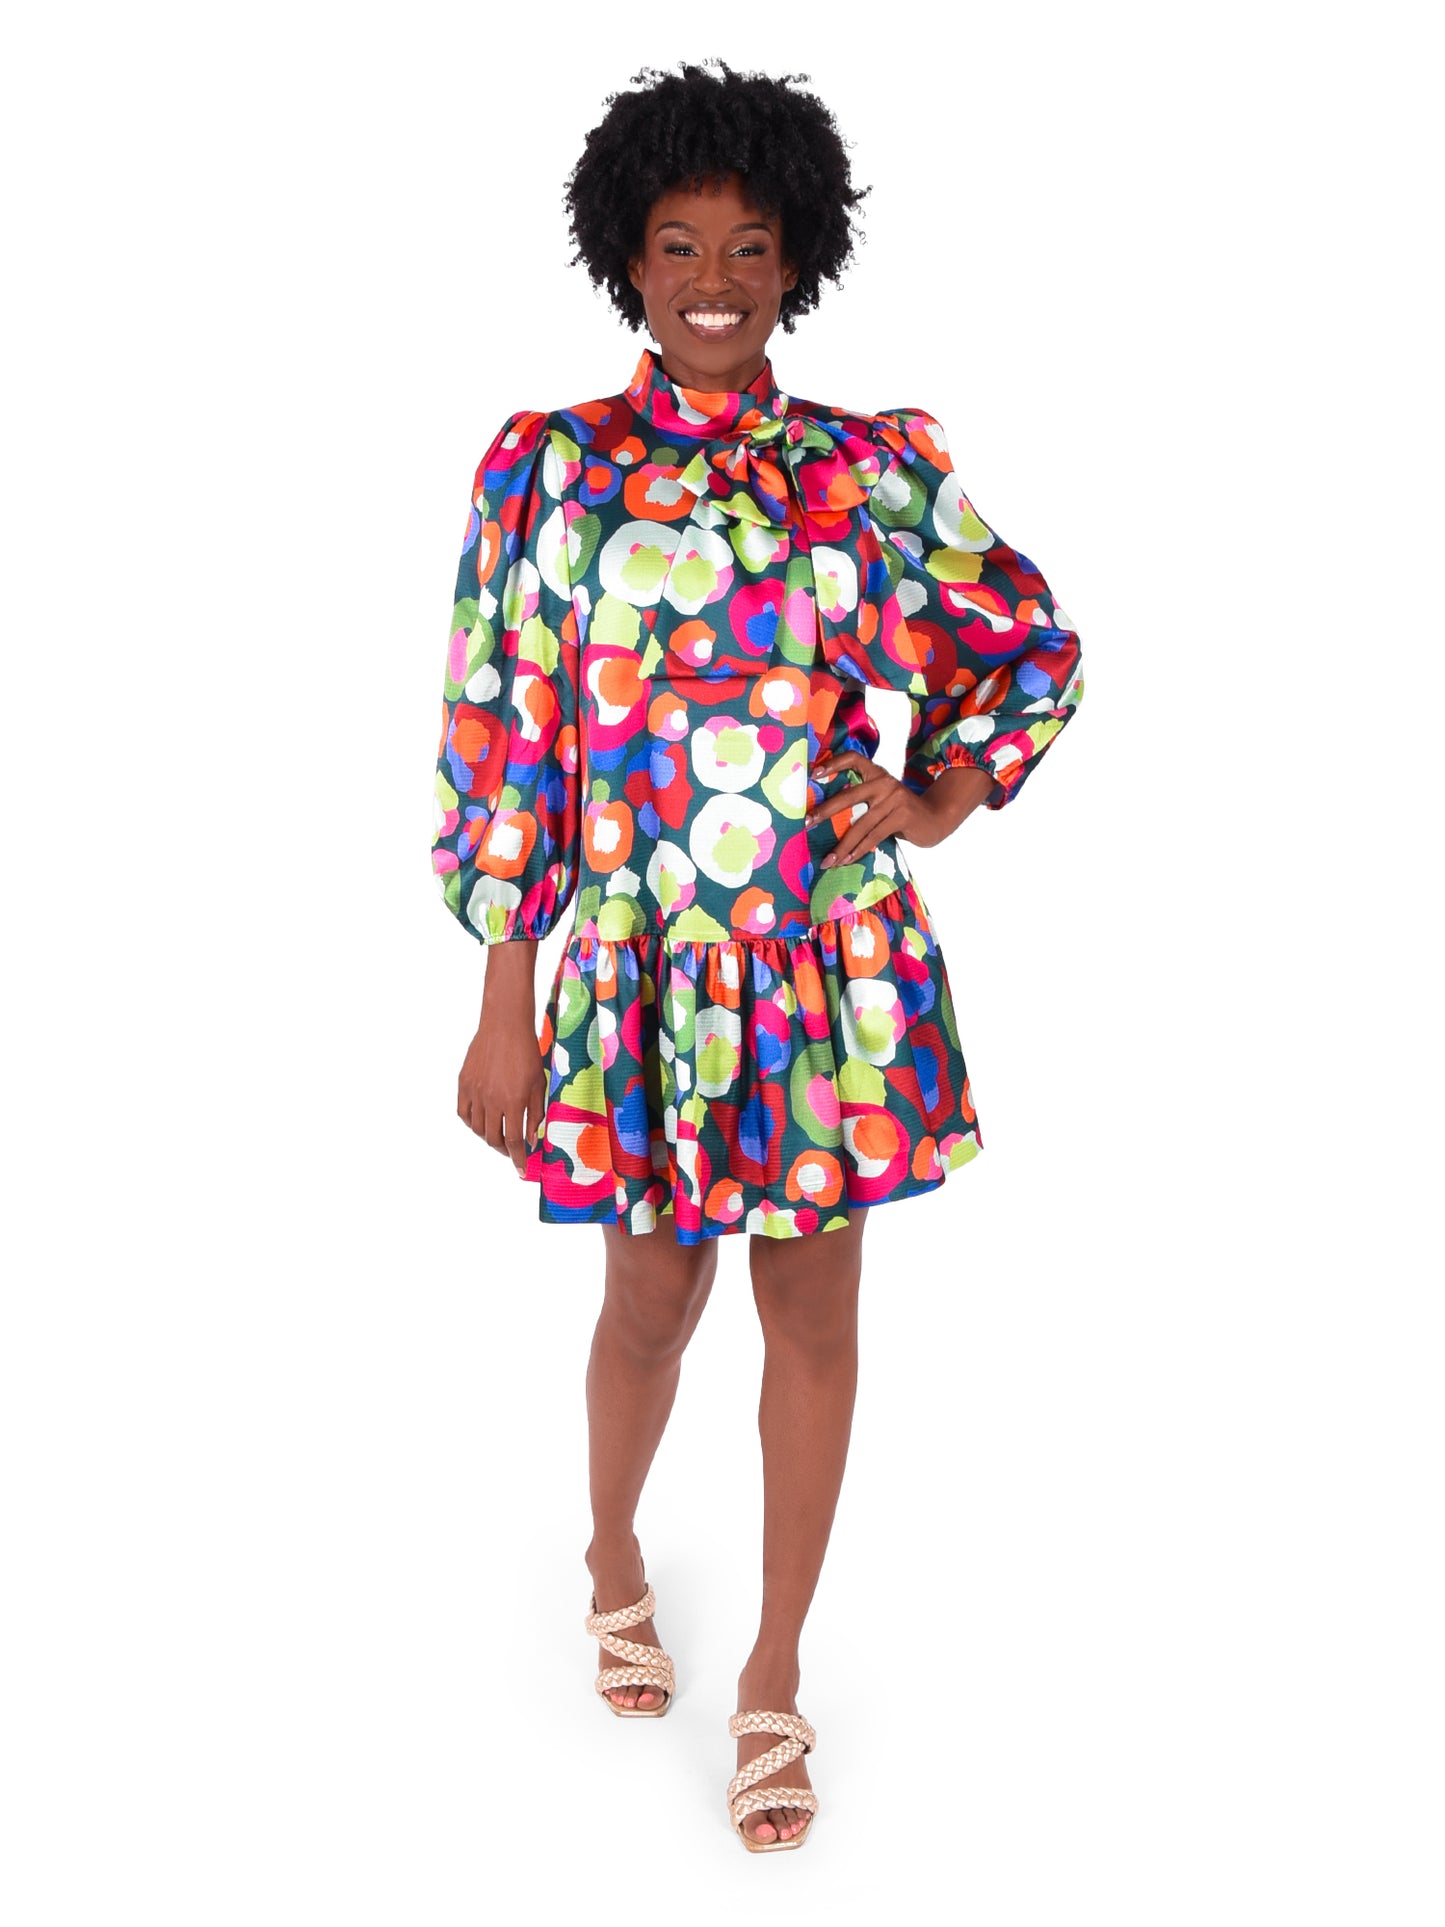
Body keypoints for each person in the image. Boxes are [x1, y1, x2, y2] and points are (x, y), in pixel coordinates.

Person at [431, 58, 1084, 1853]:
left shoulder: (867, 471)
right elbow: (506, 736)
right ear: (626, 260)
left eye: (747, 246)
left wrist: (934, 802)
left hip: (823, 971)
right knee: (650, 1301)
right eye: (676, 244)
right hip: (637, 969)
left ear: (796, 260)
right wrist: (502, 1001)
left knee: (813, 1313)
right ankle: (610, 1551)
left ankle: (774, 1673)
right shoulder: (549, 470)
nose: (711, 280)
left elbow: (1028, 643)